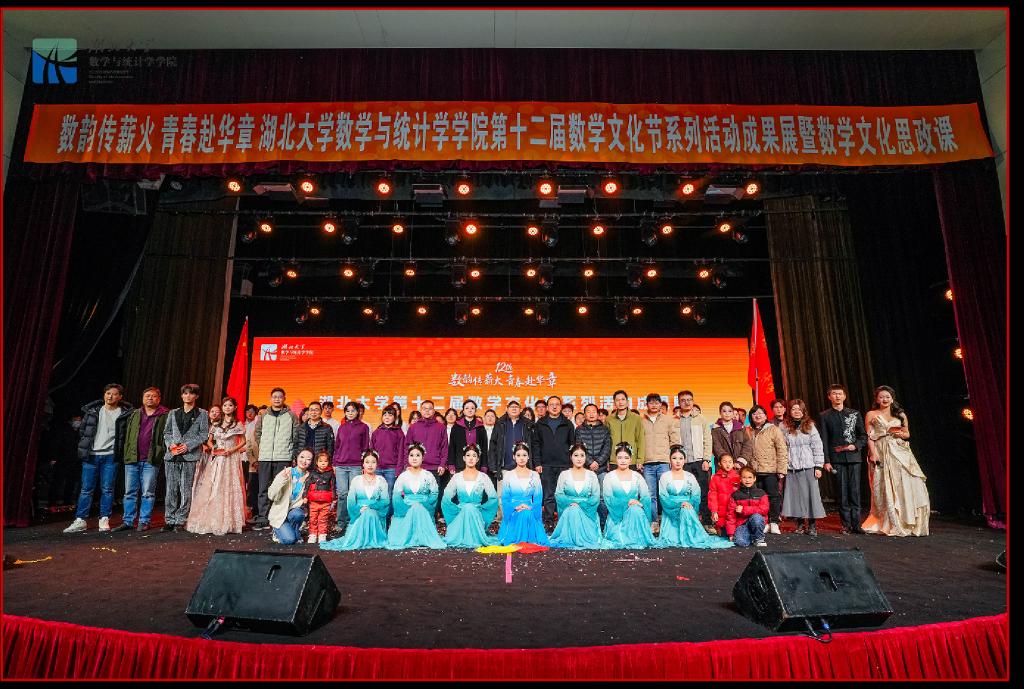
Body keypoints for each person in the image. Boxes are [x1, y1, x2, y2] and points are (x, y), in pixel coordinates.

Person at [63, 384, 135, 533]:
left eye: (114, 394)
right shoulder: (93, 411)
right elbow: (83, 431)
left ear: (120, 397)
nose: (110, 396)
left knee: (107, 489)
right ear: (104, 395)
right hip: (92, 455)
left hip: (110, 456)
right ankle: (80, 520)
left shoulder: (125, 414)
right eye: (108, 393)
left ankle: (104, 518)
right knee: (86, 489)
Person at [862, 386, 930, 537]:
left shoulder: (900, 414)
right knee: (883, 484)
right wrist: (873, 453)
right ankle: (887, 520)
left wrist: (900, 434)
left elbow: (907, 434)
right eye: (881, 397)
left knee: (904, 482)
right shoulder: (871, 414)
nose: (884, 399)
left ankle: (906, 520)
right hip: (880, 449)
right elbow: (869, 436)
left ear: (892, 398)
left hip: (899, 451)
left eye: (887, 396)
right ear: (877, 399)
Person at [186, 398, 248, 535]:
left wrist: (232, 450)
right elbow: (209, 441)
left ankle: (229, 520)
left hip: (230, 459)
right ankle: (212, 518)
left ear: (235, 407)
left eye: (230, 405)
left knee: (228, 485)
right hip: (218, 458)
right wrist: (213, 448)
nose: (227, 407)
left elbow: (243, 441)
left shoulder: (237, 424)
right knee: (214, 485)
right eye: (225, 405)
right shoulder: (216, 424)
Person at [112, 387, 169, 532]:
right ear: (143, 398)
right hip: (132, 459)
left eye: (153, 396)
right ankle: (128, 521)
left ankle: (144, 521)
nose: (150, 398)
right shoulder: (134, 414)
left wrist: (160, 451)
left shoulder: (165, 415)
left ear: (159, 399)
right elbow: (126, 435)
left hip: (151, 459)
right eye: (147, 396)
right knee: (129, 492)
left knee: (148, 492)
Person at [658, 446, 733, 549]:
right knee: (671, 539)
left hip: (687, 509)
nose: (678, 461)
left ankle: (690, 534)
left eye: (681, 458)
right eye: (674, 458)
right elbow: (663, 497)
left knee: (686, 510)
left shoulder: (689, 476)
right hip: (670, 512)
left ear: (684, 461)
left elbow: (696, 495)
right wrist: (679, 505)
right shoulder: (665, 476)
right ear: (670, 460)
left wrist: (689, 504)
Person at [818, 384, 868, 534]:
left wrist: (856, 445)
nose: (837, 396)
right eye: (834, 394)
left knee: (855, 492)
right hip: (836, 459)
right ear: (829, 397)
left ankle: (856, 524)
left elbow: (863, 436)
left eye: (840, 393)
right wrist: (826, 460)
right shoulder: (824, 416)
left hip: (854, 458)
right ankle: (845, 524)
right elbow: (824, 440)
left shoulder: (854, 414)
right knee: (842, 492)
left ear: (844, 396)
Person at [160, 384, 209, 533]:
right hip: (172, 456)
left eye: (191, 393)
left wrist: (188, 446)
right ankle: (169, 519)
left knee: (185, 489)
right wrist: (170, 445)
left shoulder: (202, 414)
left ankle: (181, 520)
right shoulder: (173, 413)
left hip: (189, 456)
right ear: (181, 396)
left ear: (196, 396)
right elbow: (167, 432)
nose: (188, 396)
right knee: (171, 489)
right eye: (185, 393)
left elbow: (203, 434)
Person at [322, 449, 390, 550]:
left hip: (375, 513)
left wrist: (371, 507)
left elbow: (385, 501)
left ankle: (373, 538)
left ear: (377, 464)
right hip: (359, 512)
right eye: (367, 462)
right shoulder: (356, 480)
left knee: (370, 513)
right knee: (366, 513)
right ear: (363, 464)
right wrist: (359, 510)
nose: (370, 465)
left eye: (373, 462)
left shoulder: (381, 480)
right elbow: (351, 501)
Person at [253, 388, 298, 530]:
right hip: (265, 457)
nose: (277, 399)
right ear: (271, 399)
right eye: (274, 397)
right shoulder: (264, 415)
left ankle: (278, 517)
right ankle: (262, 518)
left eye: (280, 397)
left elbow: (295, 435)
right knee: (263, 488)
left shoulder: (291, 415)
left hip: (284, 457)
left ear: (284, 398)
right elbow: (257, 433)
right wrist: (264, 446)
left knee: (281, 488)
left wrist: (290, 452)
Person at [487, 400, 539, 526]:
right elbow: (493, 445)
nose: (514, 409)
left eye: (516, 407)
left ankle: (521, 520)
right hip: (504, 466)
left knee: (522, 494)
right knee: (502, 496)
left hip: (523, 467)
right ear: (507, 409)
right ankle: (503, 521)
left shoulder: (527, 424)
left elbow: (534, 445)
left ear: (520, 409)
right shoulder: (500, 423)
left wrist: (535, 463)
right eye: (511, 407)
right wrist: (494, 466)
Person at [779, 399, 826, 536]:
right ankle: (799, 524)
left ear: (803, 411)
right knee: (795, 497)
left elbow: (817, 447)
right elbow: (781, 448)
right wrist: (782, 467)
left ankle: (812, 525)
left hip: (808, 467)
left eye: (799, 409)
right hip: (791, 468)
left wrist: (819, 466)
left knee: (811, 497)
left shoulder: (810, 425)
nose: (796, 412)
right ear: (789, 411)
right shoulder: (783, 426)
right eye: (793, 409)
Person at [387, 443, 447, 549]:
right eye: (411, 455)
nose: (414, 458)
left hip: (423, 508)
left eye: (418, 455)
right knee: (414, 508)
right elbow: (396, 495)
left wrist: (424, 505)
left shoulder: (428, 475)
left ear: (423, 458)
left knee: (418, 507)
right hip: (406, 508)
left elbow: (434, 493)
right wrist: (405, 508)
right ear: (408, 457)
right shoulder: (403, 476)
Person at [548, 444, 605, 549]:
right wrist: (571, 503)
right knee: (573, 510)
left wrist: (580, 505)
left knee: (576, 510)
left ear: (586, 457)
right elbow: (559, 494)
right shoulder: (564, 474)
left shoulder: (591, 475)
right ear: (571, 457)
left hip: (586, 511)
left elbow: (595, 497)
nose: (579, 458)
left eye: (582, 455)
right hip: (569, 510)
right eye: (576, 455)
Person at [441, 444, 499, 548]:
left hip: (476, 515)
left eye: (474, 455)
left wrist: (482, 512)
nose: (471, 458)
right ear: (464, 458)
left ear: (478, 459)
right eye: (468, 455)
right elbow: (446, 498)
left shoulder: (483, 477)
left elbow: (493, 498)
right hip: (461, 514)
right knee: (467, 508)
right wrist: (455, 512)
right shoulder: (457, 477)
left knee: (470, 508)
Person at [601, 443, 657, 549]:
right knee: (619, 539)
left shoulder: (637, 476)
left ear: (631, 459)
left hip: (635, 514)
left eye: (626, 458)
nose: (623, 461)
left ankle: (637, 534)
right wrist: (627, 503)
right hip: (617, 516)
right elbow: (608, 498)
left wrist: (639, 503)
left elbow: (645, 497)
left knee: (635, 509)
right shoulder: (610, 476)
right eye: (620, 457)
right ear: (615, 459)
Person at [640, 393, 680, 535]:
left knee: (666, 493)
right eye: (651, 402)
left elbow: (674, 440)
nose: (654, 405)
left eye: (656, 402)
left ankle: (669, 522)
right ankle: (654, 522)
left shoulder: (668, 420)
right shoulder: (641, 421)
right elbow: (639, 441)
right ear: (647, 405)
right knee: (650, 495)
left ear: (660, 404)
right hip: (647, 463)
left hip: (664, 462)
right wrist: (640, 460)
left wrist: (673, 459)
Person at [745, 404, 788, 535]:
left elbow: (782, 449)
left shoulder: (773, 429)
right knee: (758, 498)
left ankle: (774, 522)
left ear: (765, 416)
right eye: (754, 414)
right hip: (754, 471)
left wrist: (781, 469)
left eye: (760, 413)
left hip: (770, 470)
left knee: (773, 496)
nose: (757, 416)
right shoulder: (748, 431)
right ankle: (763, 522)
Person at [496, 442, 550, 546]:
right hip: (514, 510)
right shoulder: (508, 475)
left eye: (524, 455)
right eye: (518, 455)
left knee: (526, 513)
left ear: (528, 457)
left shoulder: (535, 475)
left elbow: (538, 498)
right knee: (523, 513)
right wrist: (515, 507)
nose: (521, 458)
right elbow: (505, 498)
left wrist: (530, 507)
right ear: (514, 457)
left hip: (530, 509)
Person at [676, 390, 715, 532]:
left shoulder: (701, 419)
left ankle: (707, 522)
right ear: (679, 402)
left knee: (703, 492)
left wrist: (707, 459)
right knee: (684, 493)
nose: (686, 402)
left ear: (693, 401)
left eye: (689, 400)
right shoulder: (674, 420)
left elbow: (708, 440)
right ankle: (686, 522)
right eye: (683, 400)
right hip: (682, 462)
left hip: (699, 461)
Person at [404, 399, 450, 521]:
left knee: (433, 495)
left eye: (430, 408)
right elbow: (407, 447)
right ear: (421, 410)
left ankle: (431, 521)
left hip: (435, 467)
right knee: (418, 495)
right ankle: (417, 520)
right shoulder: (413, 427)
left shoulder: (440, 427)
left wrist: (442, 464)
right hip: (417, 468)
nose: (427, 411)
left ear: (434, 411)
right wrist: (407, 464)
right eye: (424, 408)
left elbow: (444, 447)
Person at [534, 395, 575, 526]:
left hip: (564, 465)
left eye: (557, 404)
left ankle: (563, 522)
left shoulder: (567, 424)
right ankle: (549, 522)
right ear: (547, 407)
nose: (554, 407)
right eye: (551, 404)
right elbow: (536, 444)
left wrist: (572, 464)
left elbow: (572, 445)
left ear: (561, 406)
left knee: (563, 495)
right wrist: (537, 463)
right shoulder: (540, 423)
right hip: (546, 464)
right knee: (548, 496)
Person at [332, 401, 371, 533]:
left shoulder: (364, 427)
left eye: (353, 410)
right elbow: (337, 447)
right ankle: (341, 522)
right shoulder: (341, 427)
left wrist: (363, 464)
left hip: (355, 465)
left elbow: (365, 447)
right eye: (347, 411)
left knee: (354, 494)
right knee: (342, 494)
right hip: (341, 466)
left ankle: (353, 521)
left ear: (358, 412)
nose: (350, 413)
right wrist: (334, 463)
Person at [267, 448, 312, 545]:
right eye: (302, 457)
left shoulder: (310, 477)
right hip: (280, 513)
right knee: (289, 540)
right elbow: (271, 495)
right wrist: (282, 479)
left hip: (294, 512)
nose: (304, 461)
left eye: (308, 459)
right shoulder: (287, 471)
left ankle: (294, 531)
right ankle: (278, 531)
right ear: (296, 458)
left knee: (298, 514)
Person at [370, 405, 405, 512]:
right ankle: (377, 516)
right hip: (377, 468)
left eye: (390, 415)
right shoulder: (376, 432)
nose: (387, 417)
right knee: (376, 494)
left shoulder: (399, 433)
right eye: (385, 415)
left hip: (391, 469)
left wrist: (398, 470)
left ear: (395, 417)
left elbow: (401, 452)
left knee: (389, 494)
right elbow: (371, 451)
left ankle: (387, 517)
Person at [727, 466, 769, 547]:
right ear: (740, 479)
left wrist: (744, 509)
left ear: (754, 479)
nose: (747, 480)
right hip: (742, 523)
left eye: (750, 477)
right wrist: (731, 533)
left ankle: (759, 538)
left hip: (757, 521)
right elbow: (731, 515)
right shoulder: (735, 495)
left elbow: (764, 509)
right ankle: (752, 535)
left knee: (756, 517)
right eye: (744, 477)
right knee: (740, 542)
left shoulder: (761, 493)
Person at [604, 390, 645, 469]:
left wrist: (640, 459)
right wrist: (607, 460)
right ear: (614, 403)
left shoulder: (636, 418)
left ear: (627, 402)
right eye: (617, 400)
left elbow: (640, 440)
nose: (620, 402)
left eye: (623, 399)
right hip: (614, 460)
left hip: (631, 459)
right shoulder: (609, 419)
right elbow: (606, 442)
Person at [306, 450, 338, 543]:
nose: (323, 463)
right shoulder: (312, 473)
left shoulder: (331, 474)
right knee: (313, 518)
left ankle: (322, 535)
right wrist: (305, 496)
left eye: (325, 461)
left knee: (323, 518)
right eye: (320, 461)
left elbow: (333, 486)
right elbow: (307, 485)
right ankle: (312, 534)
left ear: (328, 462)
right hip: (313, 501)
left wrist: (334, 498)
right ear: (316, 462)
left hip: (325, 501)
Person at [711, 402, 752, 470]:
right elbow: (716, 447)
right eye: (724, 411)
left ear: (733, 413)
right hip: (723, 466)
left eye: (730, 411)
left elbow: (747, 445)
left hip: (740, 467)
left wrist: (741, 461)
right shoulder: (715, 429)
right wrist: (728, 462)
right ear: (720, 413)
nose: (727, 413)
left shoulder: (741, 428)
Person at [708, 454, 741, 537]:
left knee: (736, 533)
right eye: (725, 462)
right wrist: (714, 511)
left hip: (734, 512)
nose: (728, 464)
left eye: (730, 462)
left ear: (733, 464)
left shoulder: (738, 477)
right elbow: (712, 496)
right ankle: (720, 527)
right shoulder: (715, 478)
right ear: (719, 463)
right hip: (721, 512)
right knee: (723, 534)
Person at [243, 404, 260, 519]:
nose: (249, 413)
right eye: (247, 411)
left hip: (253, 461)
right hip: (241, 458)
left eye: (252, 411)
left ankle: (252, 510)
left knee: (252, 486)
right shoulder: (240, 425)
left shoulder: (257, 426)